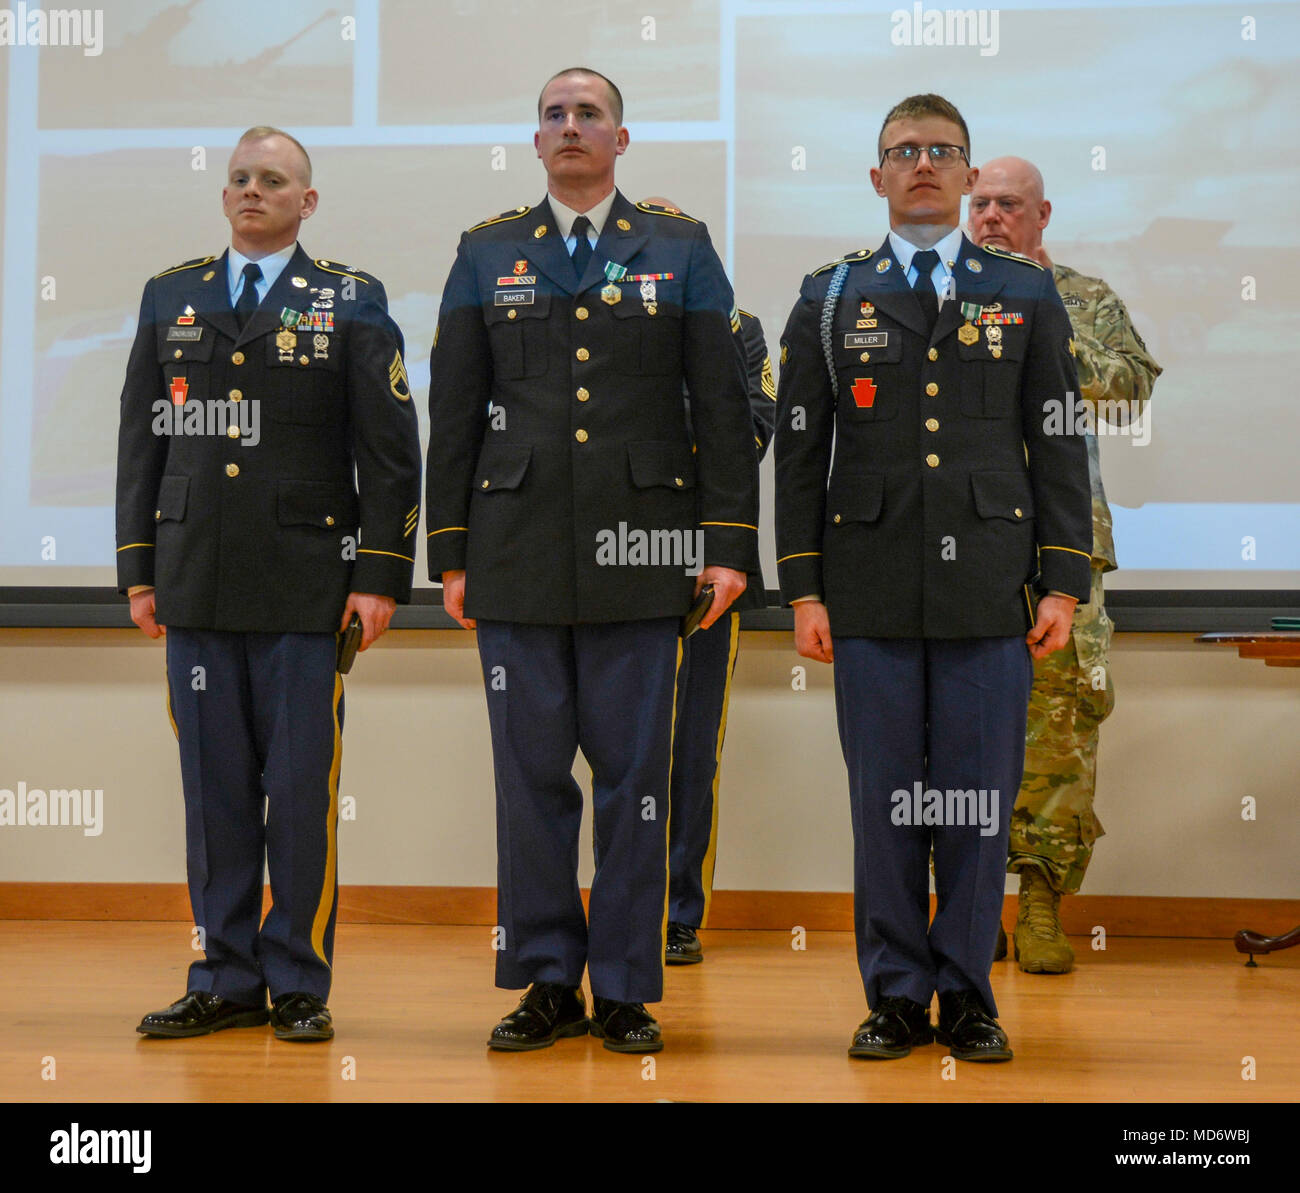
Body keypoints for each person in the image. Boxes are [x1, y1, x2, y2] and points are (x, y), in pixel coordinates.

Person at [426, 69, 759, 1053]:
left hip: (644, 553)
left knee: (634, 781)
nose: (570, 127)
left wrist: (728, 544)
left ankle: (622, 983)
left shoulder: (679, 245)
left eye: (589, 115)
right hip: (516, 551)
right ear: (535, 142)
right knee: (529, 780)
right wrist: (450, 548)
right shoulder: (487, 251)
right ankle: (542, 978)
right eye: (553, 116)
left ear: (621, 139)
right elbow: (454, 411)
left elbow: (723, 410)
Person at [774, 94, 1091, 1062]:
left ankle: (967, 991)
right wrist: (803, 588)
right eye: (902, 151)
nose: (922, 164)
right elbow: (797, 452)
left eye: (941, 152)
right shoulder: (829, 295)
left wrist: (1061, 580)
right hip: (866, 589)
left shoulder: (1023, 292)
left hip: (988, 586)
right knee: (884, 805)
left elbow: (1058, 441)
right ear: (876, 177)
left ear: (964, 175)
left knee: (974, 801)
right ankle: (894, 994)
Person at [116, 126, 421, 1042]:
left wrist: (378, 577)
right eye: (241, 179)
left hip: (304, 586)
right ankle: (222, 973)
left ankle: (296, 979)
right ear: (224, 198)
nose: (254, 191)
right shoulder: (171, 295)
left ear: (307, 202)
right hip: (196, 581)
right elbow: (141, 446)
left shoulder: (350, 302)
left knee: (297, 790)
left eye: (274, 180)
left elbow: (391, 457)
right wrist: (139, 571)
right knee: (212, 792)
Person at [969, 156, 1162, 973]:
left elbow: (1129, 390)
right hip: (964, 548)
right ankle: (969, 913)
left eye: (1008, 205)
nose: (990, 218)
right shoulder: (939, 294)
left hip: (1064, 549)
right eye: (980, 203)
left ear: (1042, 213)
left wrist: (1046, 333)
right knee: (960, 731)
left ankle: (1041, 903)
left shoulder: (1079, 298)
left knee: (1060, 731)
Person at [636, 196, 777, 967]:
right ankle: (618, 900)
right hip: (605, 559)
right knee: (617, 750)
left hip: (701, 567)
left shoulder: (737, 324)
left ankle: (679, 909)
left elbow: (754, 422)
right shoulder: (595, 316)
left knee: (691, 747)